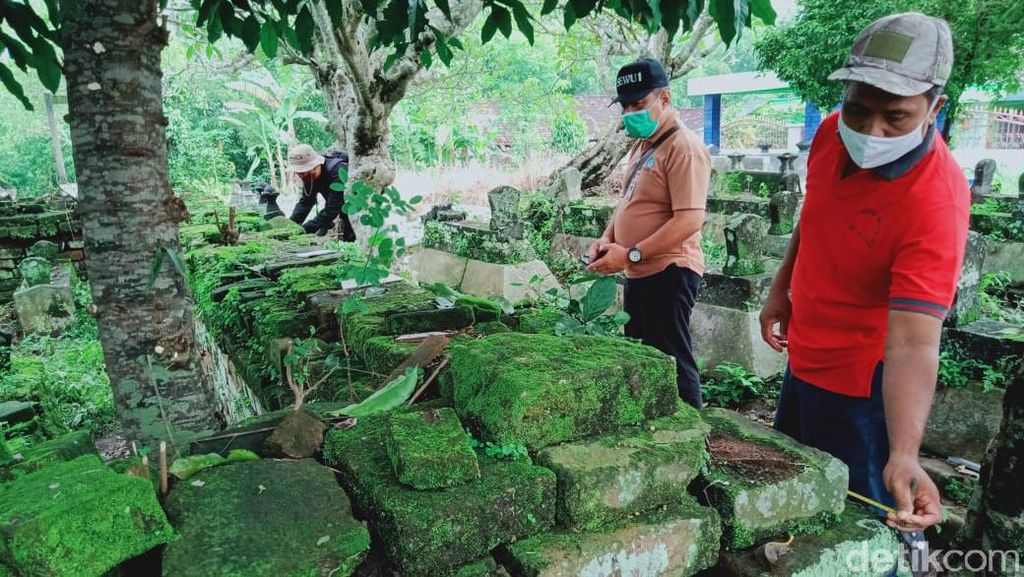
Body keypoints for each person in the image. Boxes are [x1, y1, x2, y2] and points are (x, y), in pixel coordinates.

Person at [759, 13, 968, 538]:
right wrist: (781, 288)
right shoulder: (833, 132)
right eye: (858, 108)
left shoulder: (934, 201)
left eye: (895, 117)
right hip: (804, 356)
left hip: (862, 385)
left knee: (868, 526)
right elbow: (816, 216)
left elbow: (914, 342)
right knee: (796, 495)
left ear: (934, 108)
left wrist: (904, 453)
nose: (870, 131)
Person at [587, 58, 710, 409]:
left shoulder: (683, 148)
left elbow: (688, 221)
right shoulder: (643, 145)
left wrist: (631, 253)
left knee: (671, 358)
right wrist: (608, 238)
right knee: (644, 356)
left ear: (665, 99)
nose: (630, 113)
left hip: (670, 271)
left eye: (639, 105)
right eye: (625, 106)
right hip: (639, 269)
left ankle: (692, 430)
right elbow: (627, 201)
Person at [286, 143, 356, 240]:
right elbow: (305, 203)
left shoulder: (338, 172)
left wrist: (304, 229)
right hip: (345, 213)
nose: (302, 177)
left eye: (303, 173)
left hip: (359, 212)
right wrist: (290, 227)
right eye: (299, 174)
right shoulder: (309, 177)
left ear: (315, 166)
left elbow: (332, 209)